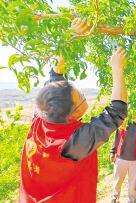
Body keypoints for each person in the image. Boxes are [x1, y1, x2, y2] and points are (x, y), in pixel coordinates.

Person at [19, 45, 128, 203]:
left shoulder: (41, 120)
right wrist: (117, 69)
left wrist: (69, 40)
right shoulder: (72, 143)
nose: (83, 96)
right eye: (80, 96)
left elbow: (54, 85)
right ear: (73, 114)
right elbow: (116, 112)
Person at [110, 115, 136, 203]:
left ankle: (132, 200)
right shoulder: (124, 120)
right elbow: (117, 137)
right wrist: (112, 151)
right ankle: (114, 199)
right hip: (121, 158)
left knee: (133, 185)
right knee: (117, 182)